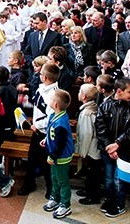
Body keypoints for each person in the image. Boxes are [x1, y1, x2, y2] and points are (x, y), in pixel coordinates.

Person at [95, 77, 130, 218]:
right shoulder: (104, 106)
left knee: (119, 180)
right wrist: (108, 146)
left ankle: (119, 204)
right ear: (119, 91)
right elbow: (100, 128)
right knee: (108, 178)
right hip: (107, 150)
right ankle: (109, 199)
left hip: (123, 151)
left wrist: (117, 144)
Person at [18, 63, 60, 197]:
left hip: (46, 133)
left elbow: (52, 117)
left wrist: (38, 124)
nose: (39, 75)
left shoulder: (54, 95)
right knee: (31, 160)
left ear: (46, 78)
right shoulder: (41, 89)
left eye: (41, 74)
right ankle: (29, 183)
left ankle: (50, 188)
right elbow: (36, 106)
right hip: (36, 131)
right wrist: (24, 102)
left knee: (46, 162)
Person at [41, 89, 74, 219]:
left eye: (51, 99)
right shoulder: (54, 116)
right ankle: (55, 198)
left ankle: (65, 205)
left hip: (60, 157)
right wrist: (46, 139)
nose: (49, 101)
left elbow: (60, 144)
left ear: (55, 104)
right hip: (54, 155)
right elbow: (51, 133)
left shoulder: (61, 123)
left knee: (62, 181)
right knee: (54, 178)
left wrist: (52, 156)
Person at [75, 84, 102, 205]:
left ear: (84, 96)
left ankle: (93, 196)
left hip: (91, 149)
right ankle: (88, 191)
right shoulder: (92, 107)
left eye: (80, 91)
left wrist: (83, 152)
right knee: (91, 172)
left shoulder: (87, 113)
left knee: (93, 173)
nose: (78, 93)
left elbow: (87, 134)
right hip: (92, 148)